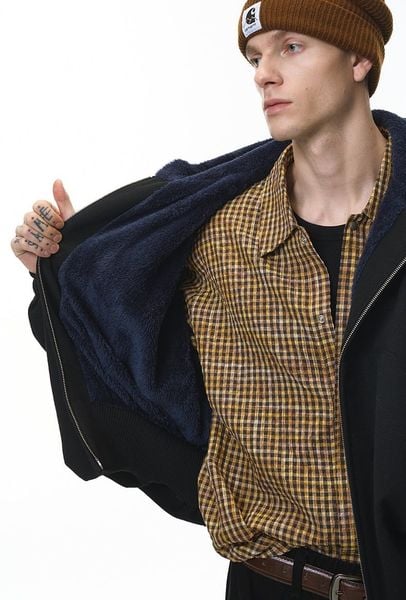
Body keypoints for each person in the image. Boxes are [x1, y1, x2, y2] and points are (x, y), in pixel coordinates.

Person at [11, 0, 406, 598]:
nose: (264, 73)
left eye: (291, 47)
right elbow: (117, 341)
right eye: (255, 57)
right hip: (266, 582)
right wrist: (71, 264)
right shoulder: (220, 236)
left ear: (358, 60)